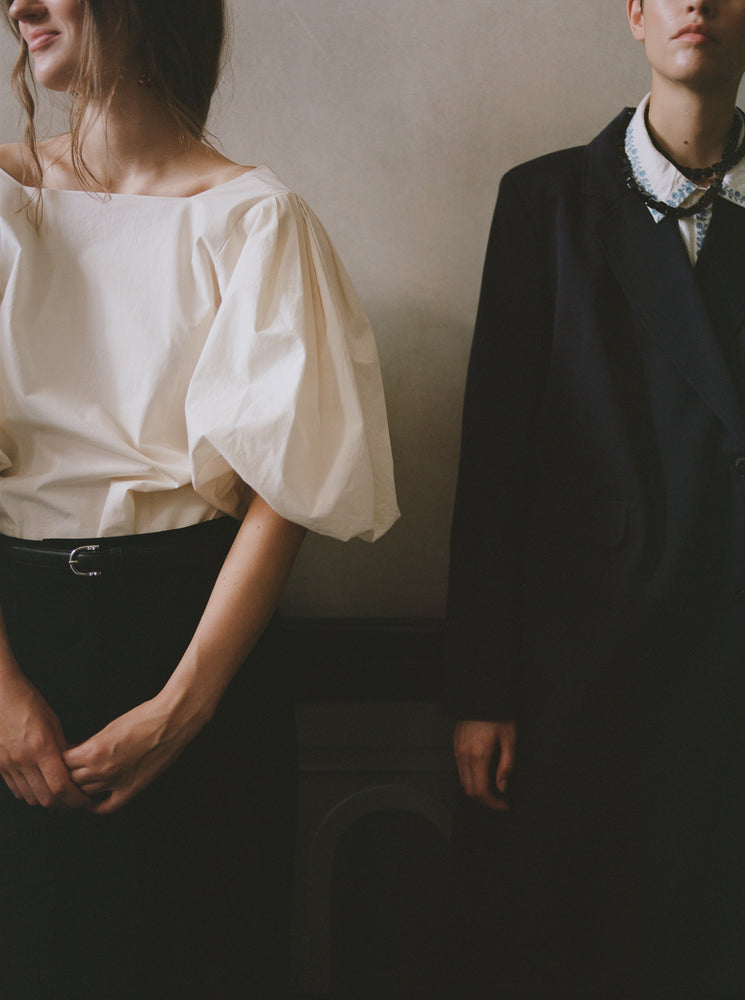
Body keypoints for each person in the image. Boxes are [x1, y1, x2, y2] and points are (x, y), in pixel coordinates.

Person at [0, 2, 398, 998]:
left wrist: (181, 711)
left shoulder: (258, 219)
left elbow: (284, 491)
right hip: (16, 636)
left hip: (196, 637)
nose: (18, 6)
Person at [446, 1, 745, 996]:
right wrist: (481, 690)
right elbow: (495, 461)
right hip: (588, 664)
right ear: (635, 14)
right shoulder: (545, 201)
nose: (698, 2)